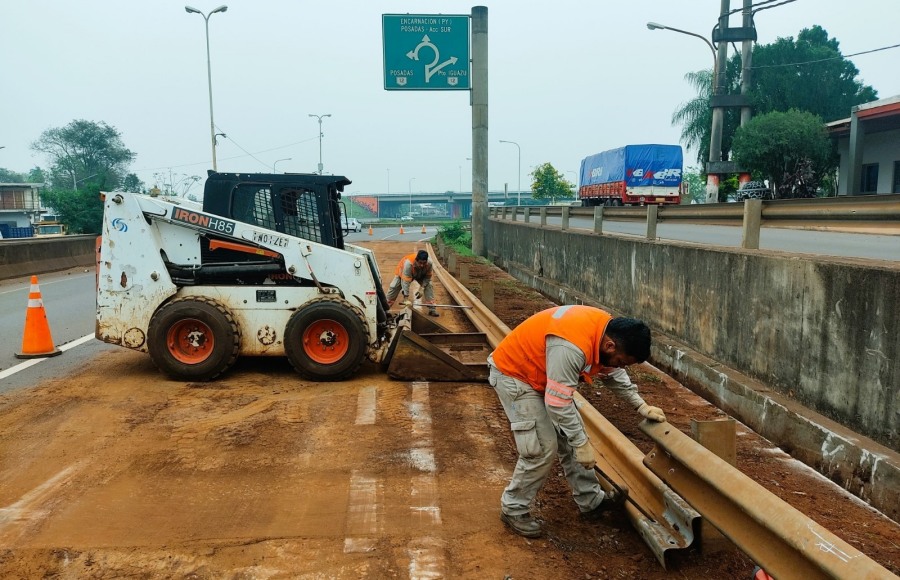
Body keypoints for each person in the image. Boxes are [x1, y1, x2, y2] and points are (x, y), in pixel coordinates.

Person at [487, 305, 666, 538]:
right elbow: (558, 403)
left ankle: (591, 502)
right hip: (515, 376)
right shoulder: (571, 346)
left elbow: (612, 371)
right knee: (542, 447)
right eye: (621, 361)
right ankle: (514, 508)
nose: (620, 366)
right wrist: (580, 443)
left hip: (543, 375)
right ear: (610, 346)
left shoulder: (605, 331)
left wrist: (640, 405)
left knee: (574, 435)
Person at [385, 249, 439, 316]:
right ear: (416, 260)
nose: (422, 265)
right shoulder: (408, 264)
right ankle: (385, 308)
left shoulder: (429, 263)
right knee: (394, 287)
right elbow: (406, 281)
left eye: (424, 263)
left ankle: (432, 309)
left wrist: (422, 288)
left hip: (420, 274)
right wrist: (406, 298)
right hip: (403, 273)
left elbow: (428, 277)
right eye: (420, 263)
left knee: (429, 285)